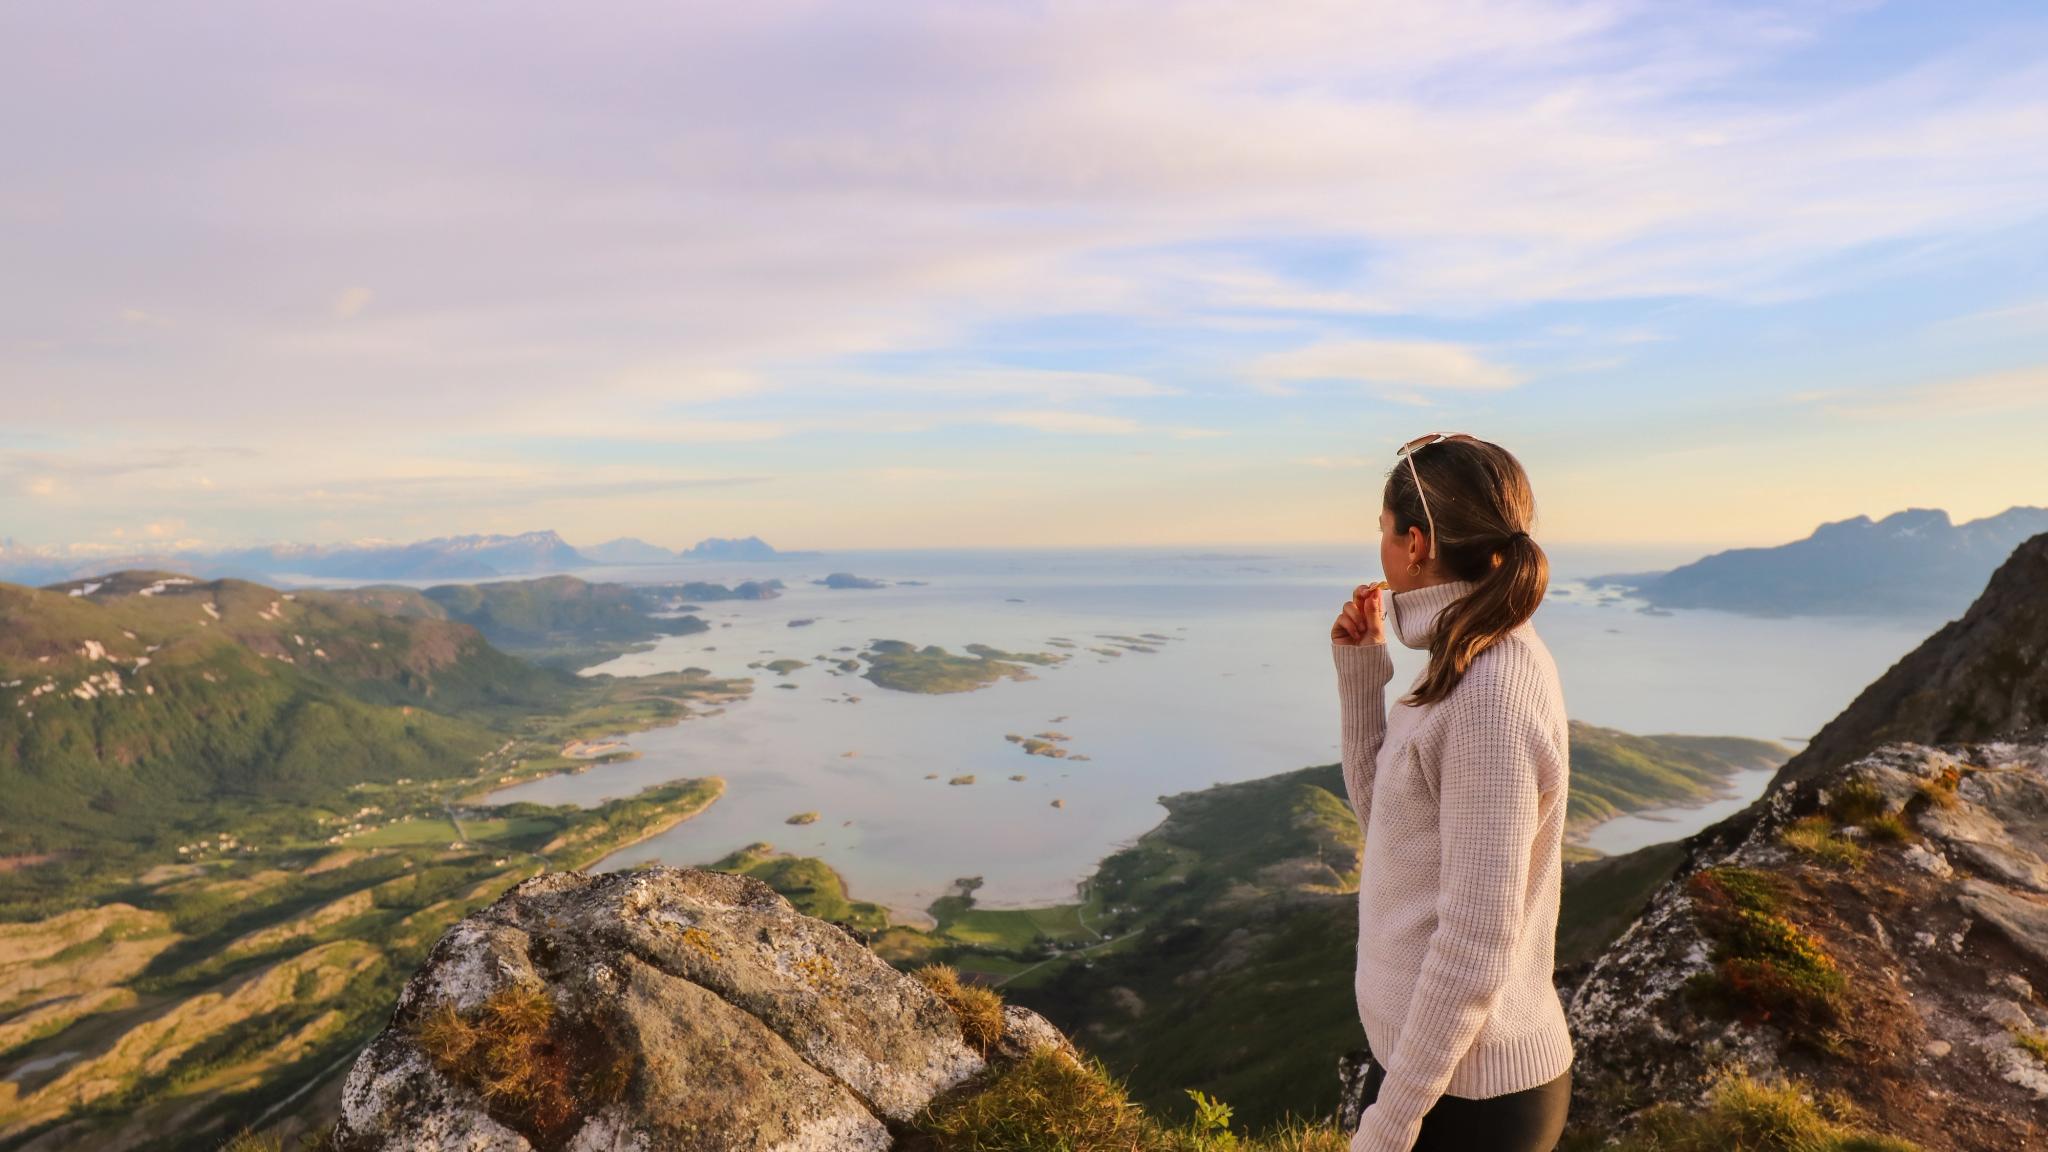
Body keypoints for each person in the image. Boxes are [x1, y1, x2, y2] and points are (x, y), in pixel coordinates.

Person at [1328, 432, 1574, 1152]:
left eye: (1381, 530)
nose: (1377, 547)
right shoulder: (1467, 658)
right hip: (1436, 1073)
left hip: (1467, 1101)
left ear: (1416, 543)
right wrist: (1362, 676)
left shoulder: (1488, 696)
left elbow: (1475, 941)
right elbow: (1393, 830)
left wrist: (1392, 1122)